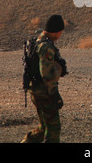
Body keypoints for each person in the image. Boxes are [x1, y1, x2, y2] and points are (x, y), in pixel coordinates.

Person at [21, 15, 66, 143]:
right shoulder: (46, 47)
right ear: (56, 31)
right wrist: (55, 94)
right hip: (44, 92)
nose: (61, 34)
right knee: (53, 129)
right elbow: (46, 74)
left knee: (44, 128)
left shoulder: (38, 40)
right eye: (60, 31)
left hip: (35, 89)